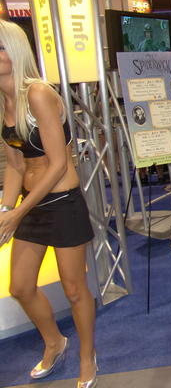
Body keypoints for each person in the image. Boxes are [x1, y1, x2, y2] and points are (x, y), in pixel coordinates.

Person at [0, 20, 96, 387]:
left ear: (14, 51)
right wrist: (6, 210)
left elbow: (58, 164)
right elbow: (15, 165)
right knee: (21, 286)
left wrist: (17, 213)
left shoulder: (38, 94)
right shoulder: (4, 100)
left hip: (62, 203)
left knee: (74, 289)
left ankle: (88, 357)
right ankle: (55, 341)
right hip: (31, 204)